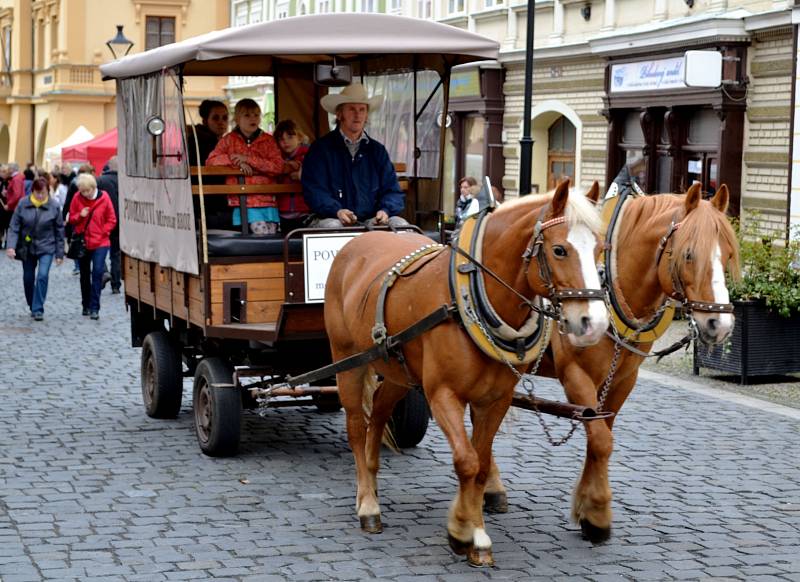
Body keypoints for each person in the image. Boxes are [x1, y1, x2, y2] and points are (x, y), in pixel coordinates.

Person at [301, 82, 408, 228]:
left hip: (371, 219)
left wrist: (385, 210)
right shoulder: (320, 149)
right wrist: (337, 210)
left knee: (400, 225)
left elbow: (392, 190)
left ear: (366, 115)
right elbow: (314, 191)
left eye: (362, 109)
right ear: (339, 114)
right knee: (332, 227)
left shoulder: (377, 151)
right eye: (351, 109)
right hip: (330, 217)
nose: (357, 115)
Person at [206, 98, 286, 235]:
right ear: (237, 119)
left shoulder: (268, 140)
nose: (252, 119)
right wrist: (235, 161)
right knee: (261, 234)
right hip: (243, 202)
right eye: (247, 115)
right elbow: (211, 160)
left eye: (256, 115)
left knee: (271, 238)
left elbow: (278, 166)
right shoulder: (229, 140)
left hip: (268, 201)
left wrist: (248, 160)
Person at [5, 178, 65, 320]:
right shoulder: (23, 204)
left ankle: (38, 308)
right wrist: (11, 246)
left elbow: (59, 231)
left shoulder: (54, 206)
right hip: (28, 246)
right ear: (32, 191)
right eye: (37, 193)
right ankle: (32, 303)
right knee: (28, 278)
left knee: (42, 275)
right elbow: (14, 227)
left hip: (47, 246)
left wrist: (60, 254)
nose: (40, 196)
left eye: (42, 193)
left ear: (47, 192)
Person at [68, 174, 116, 320]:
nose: (85, 194)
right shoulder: (77, 198)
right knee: (84, 274)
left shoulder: (104, 197)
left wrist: (104, 231)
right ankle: (86, 305)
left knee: (97, 272)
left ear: (93, 188)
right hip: (83, 242)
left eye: (87, 191)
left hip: (101, 242)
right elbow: (71, 219)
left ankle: (95, 307)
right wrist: (80, 215)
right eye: (82, 191)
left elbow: (112, 219)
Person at [274, 119, 311, 232]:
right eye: (281, 139)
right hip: (283, 212)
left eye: (290, 137)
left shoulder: (309, 155)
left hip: (305, 211)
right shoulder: (277, 158)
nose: (285, 142)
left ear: (299, 138)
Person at [96, 157, 121, 294]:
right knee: (116, 254)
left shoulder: (100, 181)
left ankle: (104, 272)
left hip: (103, 222)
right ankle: (116, 284)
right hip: (121, 223)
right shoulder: (125, 181)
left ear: (109, 166)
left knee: (98, 249)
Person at [188, 99, 229, 167]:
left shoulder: (229, 141)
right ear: (205, 121)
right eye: (215, 118)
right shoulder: (196, 141)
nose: (221, 122)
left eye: (225, 118)